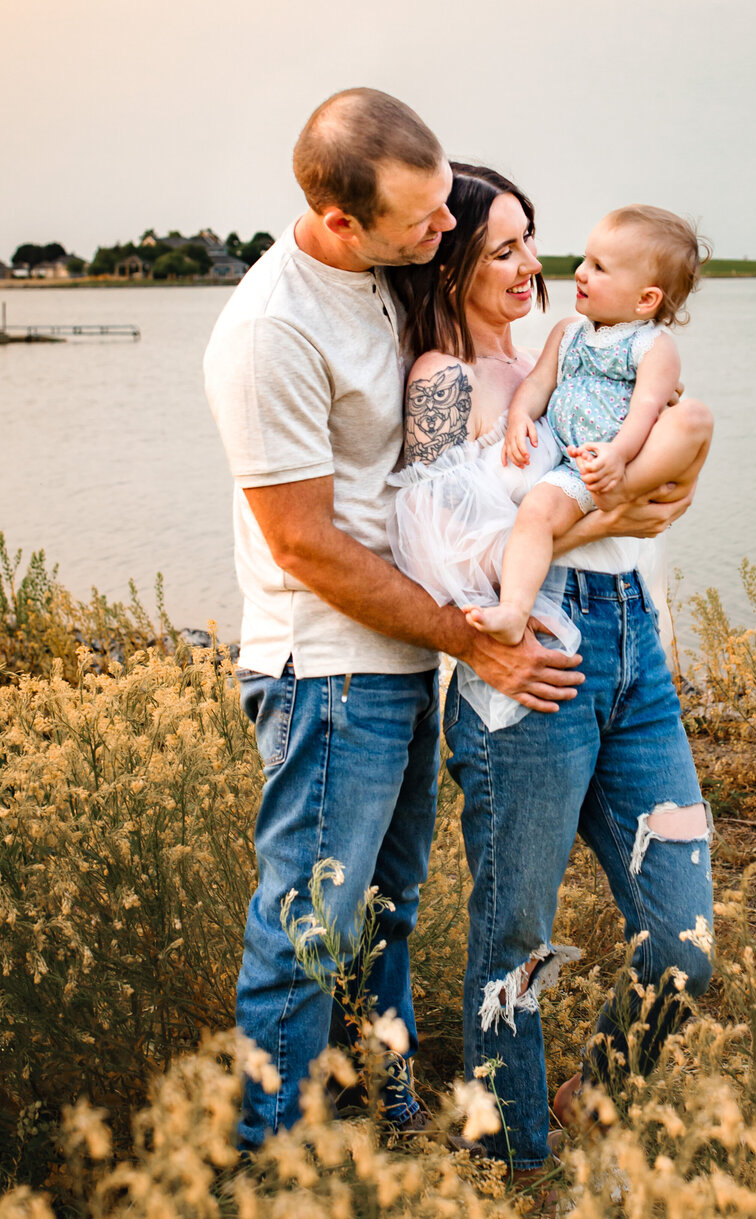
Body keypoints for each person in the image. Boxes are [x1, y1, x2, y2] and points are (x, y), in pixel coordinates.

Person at [204, 91, 694, 1150]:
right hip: (332, 651)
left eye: (451, 218)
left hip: (411, 644)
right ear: (350, 222)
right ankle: (266, 1154)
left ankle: (379, 1098)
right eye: (474, 238)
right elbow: (334, 532)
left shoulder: (395, 293)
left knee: (389, 902)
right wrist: (490, 612)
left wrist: (659, 469)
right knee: (315, 917)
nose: (442, 234)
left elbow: (615, 448)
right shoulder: (275, 329)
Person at [391, 164, 715, 1175]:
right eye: (505, 247)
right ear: (451, 262)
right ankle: (511, 1156)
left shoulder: (570, 359)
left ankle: (597, 1086)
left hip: (634, 659)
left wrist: (668, 472)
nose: (534, 264)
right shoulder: (442, 379)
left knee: (685, 938)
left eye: (534, 240)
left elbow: (654, 481)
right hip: (526, 675)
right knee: (517, 941)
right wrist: (615, 510)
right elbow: (435, 544)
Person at [463, 204, 711, 647]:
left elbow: (646, 410)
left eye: (599, 268)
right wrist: (520, 416)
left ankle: (626, 488)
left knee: (694, 417)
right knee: (536, 514)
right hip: (572, 465)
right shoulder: (568, 332)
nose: (580, 273)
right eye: (584, 260)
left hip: (620, 457)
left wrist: (617, 456)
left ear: (645, 299)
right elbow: (539, 382)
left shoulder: (653, 346)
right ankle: (514, 610)